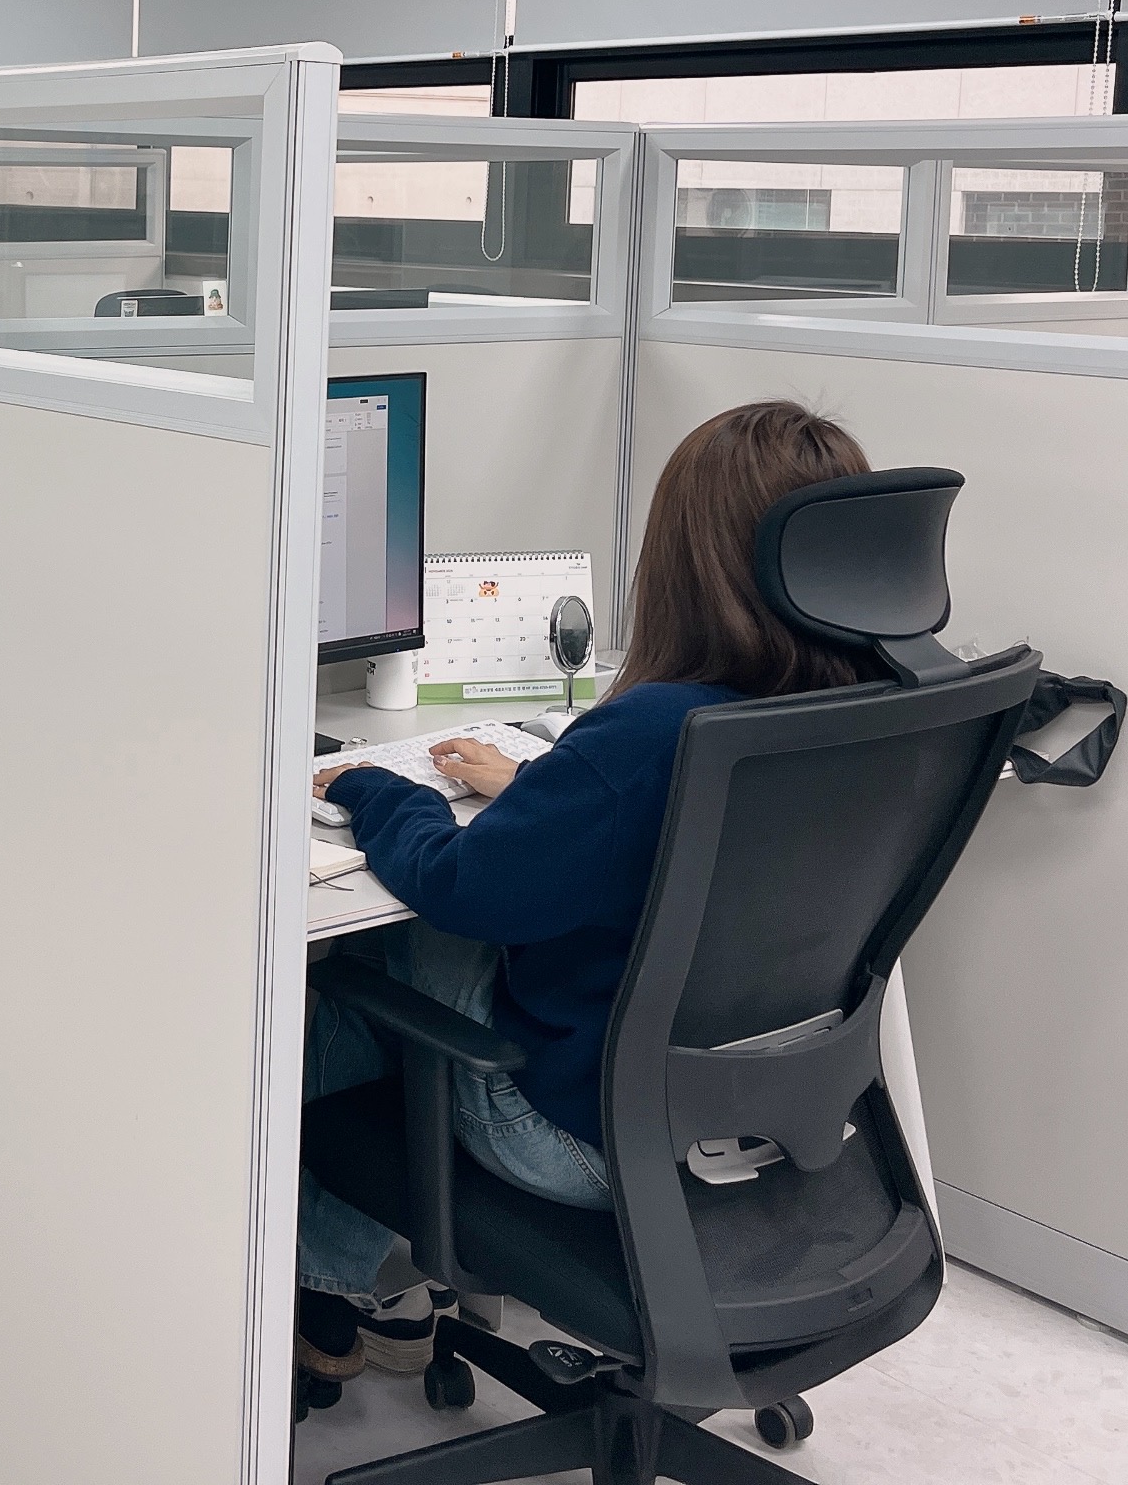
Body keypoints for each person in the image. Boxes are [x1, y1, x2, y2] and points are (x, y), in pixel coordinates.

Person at [294, 399, 874, 1385]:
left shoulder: (652, 732)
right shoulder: (875, 710)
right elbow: (675, 840)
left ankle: (331, 1287)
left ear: (686, 561)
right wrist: (541, 791)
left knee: (369, 952)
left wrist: (377, 787)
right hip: (770, 1124)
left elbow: (462, 886)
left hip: (579, 1142)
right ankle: (368, 1292)